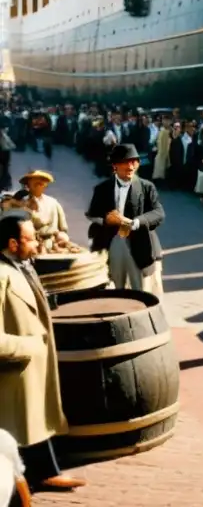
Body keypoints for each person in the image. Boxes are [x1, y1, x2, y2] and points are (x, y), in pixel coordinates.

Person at [0, 209, 84, 493]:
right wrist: (30, 346)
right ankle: (33, 478)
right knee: (21, 425)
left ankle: (45, 471)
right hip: (15, 367)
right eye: (31, 239)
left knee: (33, 420)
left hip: (28, 368)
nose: (37, 244)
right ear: (13, 244)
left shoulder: (21, 265)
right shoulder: (1, 275)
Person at [86, 143, 166, 295]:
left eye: (134, 162)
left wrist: (135, 222)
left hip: (140, 240)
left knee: (141, 287)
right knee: (115, 284)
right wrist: (106, 221)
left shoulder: (146, 187)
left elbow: (158, 213)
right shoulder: (102, 188)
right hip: (113, 240)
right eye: (125, 162)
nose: (130, 167)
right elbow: (92, 214)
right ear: (115, 166)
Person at [19, 170, 69, 252]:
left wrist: (62, 238)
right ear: (28, 185)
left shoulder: (54, 203)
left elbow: (63, 227)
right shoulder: (22, 204)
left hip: (52, 244)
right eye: (34, 181)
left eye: (42, 181)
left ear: (45, 185)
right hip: (31, 246)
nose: (39, 184)